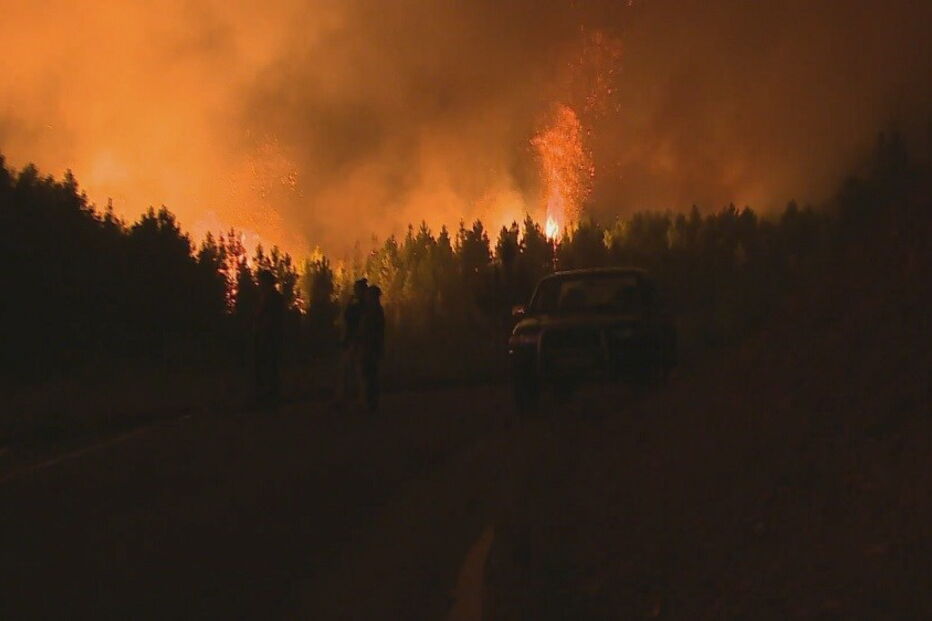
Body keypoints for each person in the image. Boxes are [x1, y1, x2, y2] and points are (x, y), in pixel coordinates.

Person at [254, 269, 284, 406]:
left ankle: (270, 396)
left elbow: (270, 317)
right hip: (268, 336)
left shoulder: (272, 298)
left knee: (270, 366)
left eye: (261, 281)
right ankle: (268, 394)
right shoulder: (270, 296)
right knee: (268, 366)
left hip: (270, 337)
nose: (259, 284)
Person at [338, 278, 368, 407]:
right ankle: (349, 398)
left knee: (356, 371)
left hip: (356, 341)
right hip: (352, 340)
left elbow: (354, 321)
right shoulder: (358, 305)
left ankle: (359, 399)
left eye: (356, 289)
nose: (355, 291)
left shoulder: (362, 306)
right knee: (350, 371)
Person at [358, 285, 385, 412]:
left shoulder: (375, 312)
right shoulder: (373, 311)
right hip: (370, 347)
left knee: (370, 376)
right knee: (369, 375)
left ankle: (370, 403)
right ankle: (369, 402)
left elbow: (374, 331)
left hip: (371, 348)